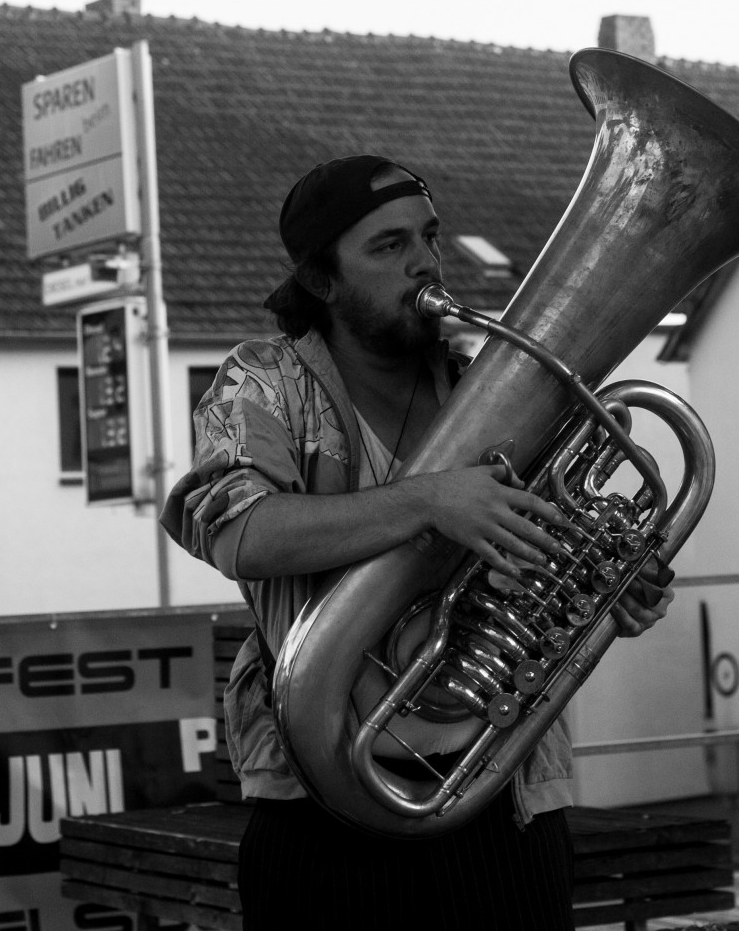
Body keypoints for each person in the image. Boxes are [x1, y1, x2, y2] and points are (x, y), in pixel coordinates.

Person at [160, 155, 672, 929]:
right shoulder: (260, 382)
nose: (426, 262)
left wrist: (606, 584)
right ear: (321, 280)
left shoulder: (495, 392)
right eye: (388, 246)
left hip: (502, 804)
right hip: (321, 813)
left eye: (428, 237)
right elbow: (240, 532)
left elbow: (543, 565)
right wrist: (429, 502)